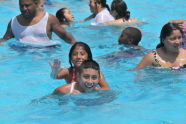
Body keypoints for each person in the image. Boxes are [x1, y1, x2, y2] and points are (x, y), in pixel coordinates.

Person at [0, 0, 76, 47]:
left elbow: (67, 38)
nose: (24, 9)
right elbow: (5, 39)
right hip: (22, 59)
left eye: (27, 5)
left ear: (35, 4)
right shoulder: (14, 22)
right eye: (21, 6)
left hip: (44, 58)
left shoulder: (49, 19)